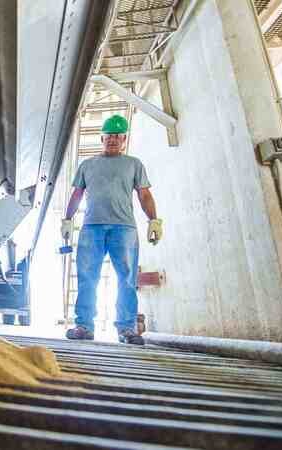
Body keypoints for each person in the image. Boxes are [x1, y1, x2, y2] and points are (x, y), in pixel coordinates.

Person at [61, 114, 162, 345]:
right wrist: (67, 219)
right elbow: (77, 194)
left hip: (124, 228)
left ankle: (126, 329)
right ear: (102, 138)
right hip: (92, 228)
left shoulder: (134, 164)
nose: (113, 139)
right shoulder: (87, 165)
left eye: (118, 136)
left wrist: (154, 221)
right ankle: (84, 326)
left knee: (126, 279)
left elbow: (144, 194)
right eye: (109, 136)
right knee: (87, 278)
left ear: (124, 139)